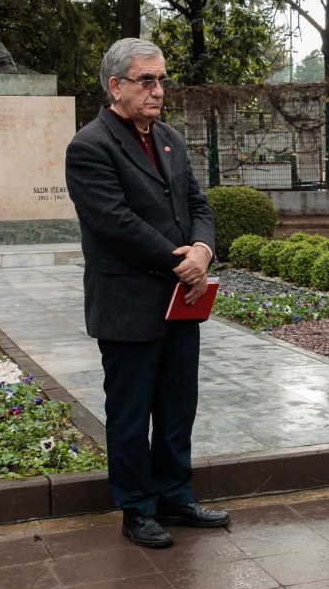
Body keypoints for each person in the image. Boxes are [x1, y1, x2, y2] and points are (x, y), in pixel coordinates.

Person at [65, 38, 230, 548]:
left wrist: (202, 249)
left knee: (179, 405)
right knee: (132, 412)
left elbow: (198, 204)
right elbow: (115, 223)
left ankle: (175, 495)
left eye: (162, 80)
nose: (159, 90)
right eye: (147, 80)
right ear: (116, 86)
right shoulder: (89, 146)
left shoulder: (171, 141)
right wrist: (180, 262)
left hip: (181, 300)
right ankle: (137, 508)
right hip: (129, 302)